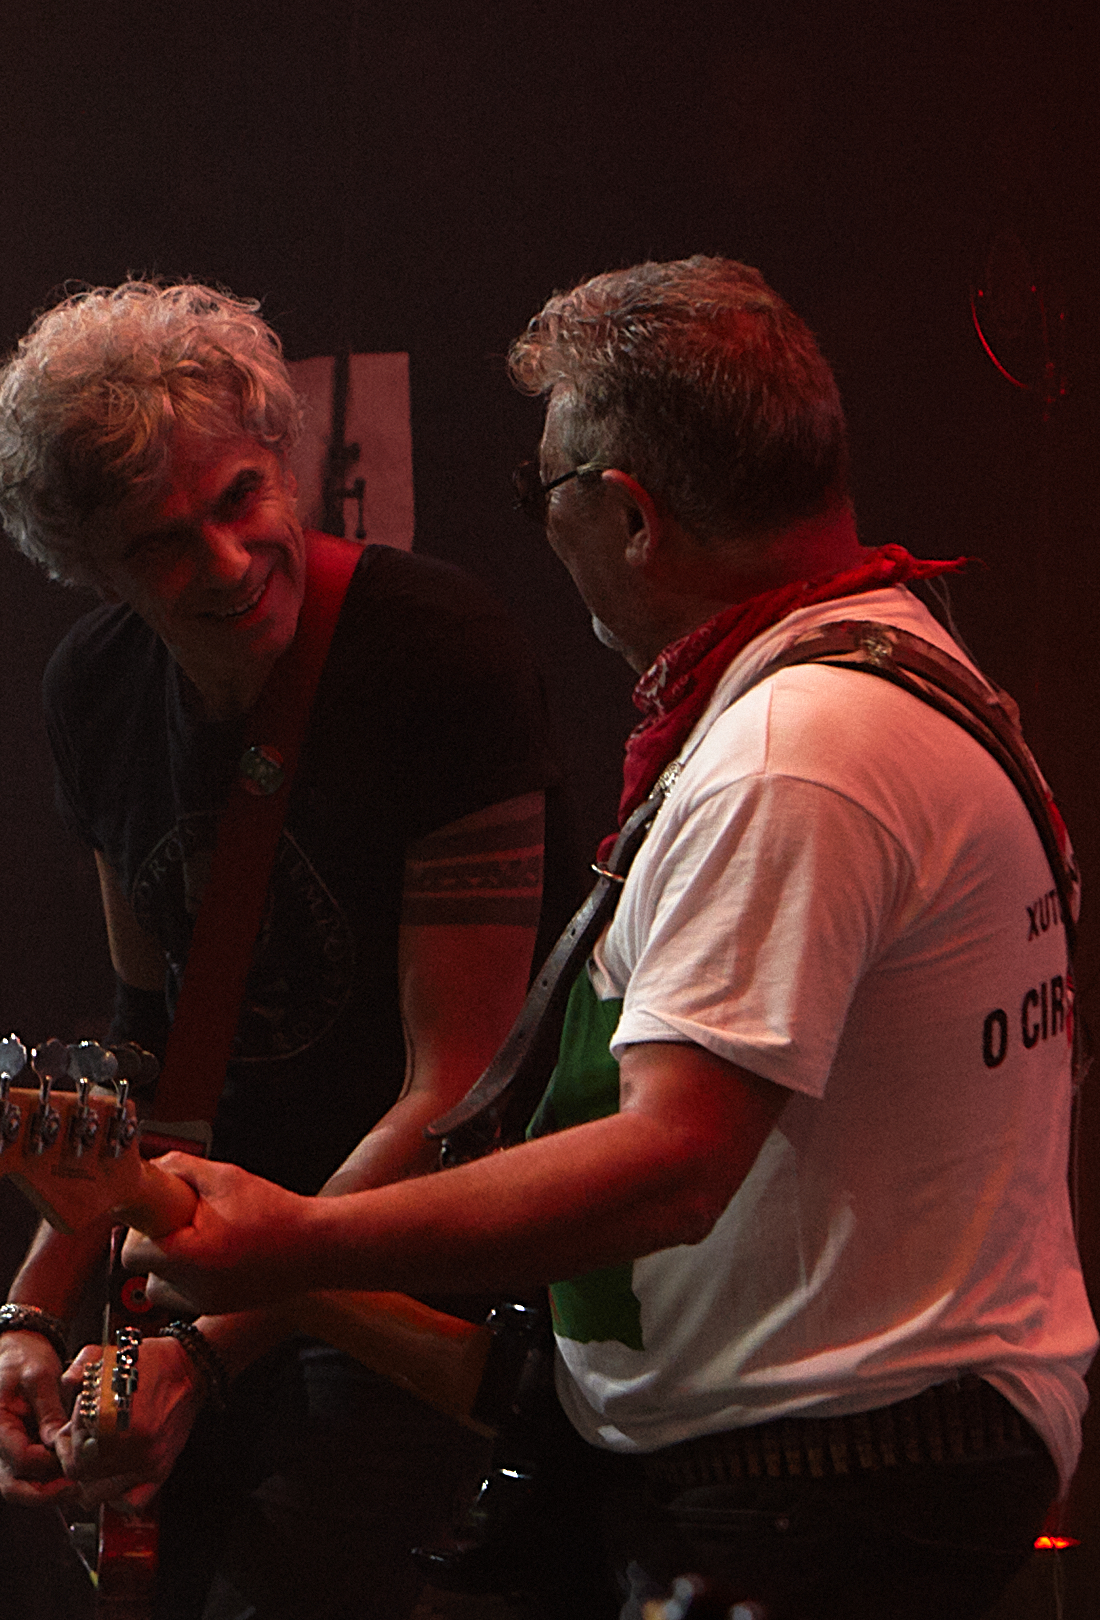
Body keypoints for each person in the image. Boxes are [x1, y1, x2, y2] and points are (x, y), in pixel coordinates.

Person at [125, 257, 1094, 1619]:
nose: (540, 529)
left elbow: (673, 1165)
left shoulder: (795, 756)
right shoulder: (866, 674)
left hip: (832, 1478)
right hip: (806, 1459)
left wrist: (294, 1241)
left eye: (544, 494)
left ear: (629, 514)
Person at [0, 280, 560, 1618]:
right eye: (164, 544)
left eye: (243, 500)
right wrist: (31, 1310)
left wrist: (213, 1351)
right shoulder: (93, 687)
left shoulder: (436, 655)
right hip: (210, 1259)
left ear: (285, 464)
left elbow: (452, 1091)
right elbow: (147, 1049)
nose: (230, 562)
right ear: (93, 566)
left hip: (410, 1272)